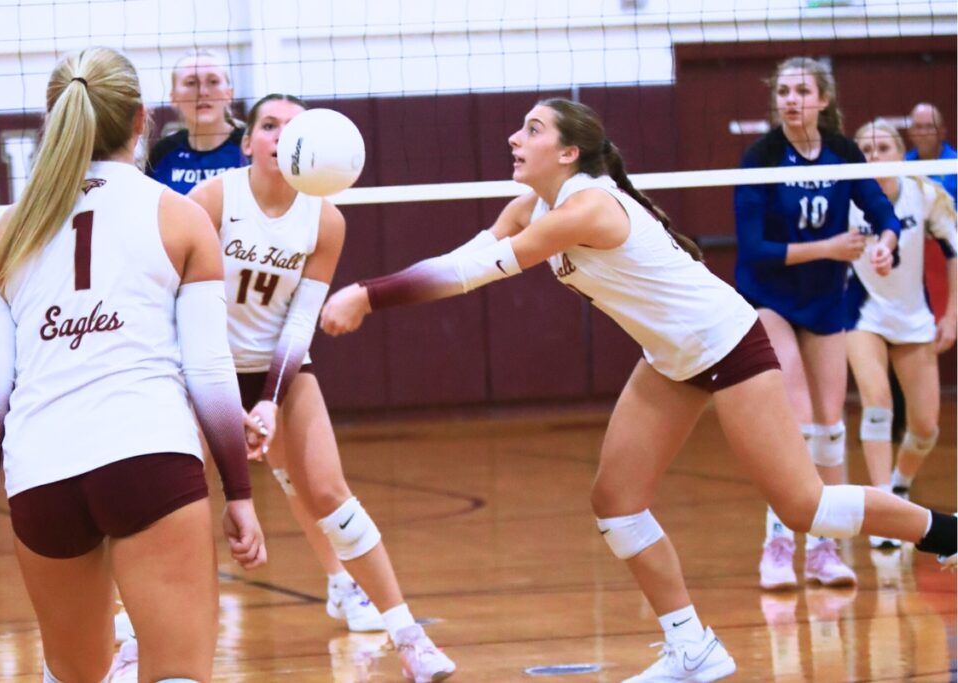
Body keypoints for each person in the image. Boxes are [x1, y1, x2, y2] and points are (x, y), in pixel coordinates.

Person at [319, 96, 957, 683]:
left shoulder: (588, 208)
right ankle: (692, 647)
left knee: (803, 507)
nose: (515, 137)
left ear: (568, 153)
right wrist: (372, 294)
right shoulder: (529, 209)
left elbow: (470, 275)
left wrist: (368, 296)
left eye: (532, 130)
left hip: (729, 342)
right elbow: (460, 260)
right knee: (616, 502)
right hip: (671, 357)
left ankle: (946, 533)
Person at [0, 47, 267, 683]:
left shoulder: (4, 234)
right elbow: (210, 371)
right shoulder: (180, 217)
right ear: (140, 121)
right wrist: (239, 491)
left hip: (41, 473)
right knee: (177, 671)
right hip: (147, 456)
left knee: (75, 675)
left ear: (56, 119)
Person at [187, 93, 456, 683]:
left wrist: (268, 400)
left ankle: (408, 638)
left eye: (293, 126)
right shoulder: (211, 199)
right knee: (176, 501)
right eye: (268, 126)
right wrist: (224, 399)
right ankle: (135, 639)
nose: (281, 136)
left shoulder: (325, 218)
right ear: (247, 142)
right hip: (200, 368)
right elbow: (177, 305)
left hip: (277, 368)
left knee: (329, 491)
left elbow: (300, 320)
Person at [734, 57, 903, 590]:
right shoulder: (759, 157)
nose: (790, 100)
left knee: (831, 425)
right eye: (782, 91)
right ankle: (777, 544)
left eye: (802, 91)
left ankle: (824, 550)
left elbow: (883, 213)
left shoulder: (844, 153)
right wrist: (829, 247)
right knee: (799, 420)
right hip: (770, 299)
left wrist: (886, 246)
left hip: (827, 302)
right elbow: (755, 249)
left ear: (823, 100)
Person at [846, 118, 957, 548]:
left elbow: (954, 252)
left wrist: (952, 316)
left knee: (926, 427)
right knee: (877, 405)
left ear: (900, 153)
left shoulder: (924, 191)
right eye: (866, 150)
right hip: (860, 315)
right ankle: (885, 514)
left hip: (913, 318)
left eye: (884, 149)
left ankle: (900, 483)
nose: (874, 158)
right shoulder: (844, 196)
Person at [146, 49, 245, 195]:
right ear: (173, 97)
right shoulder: (163, 152)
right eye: (191, 83)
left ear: (229, 94)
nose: (203, 92)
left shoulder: (249, 146)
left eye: (213, 82)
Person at [905, 103, 957, 204]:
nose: (923, 133)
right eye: (918, 127)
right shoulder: (903, 163)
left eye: (930, 126)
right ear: (910, 133)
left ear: (941, 132)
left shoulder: (955, 163)